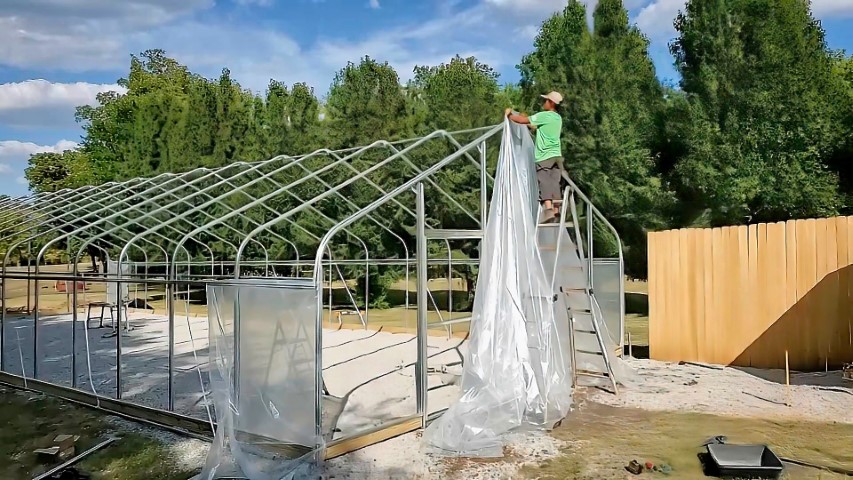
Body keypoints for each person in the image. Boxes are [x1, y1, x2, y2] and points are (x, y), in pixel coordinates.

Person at [505, 91, 565, 223]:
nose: (544, 103)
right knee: (554, 181)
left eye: (546, 101)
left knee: (543, 179)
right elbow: (538, 128)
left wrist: (509, 114)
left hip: (544, 155)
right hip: (556, 155)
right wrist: (531, 125)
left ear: (551, 103)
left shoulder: (544, 115)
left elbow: (521, 121)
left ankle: (548, 210)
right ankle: (556, 211)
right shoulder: (557, 118)